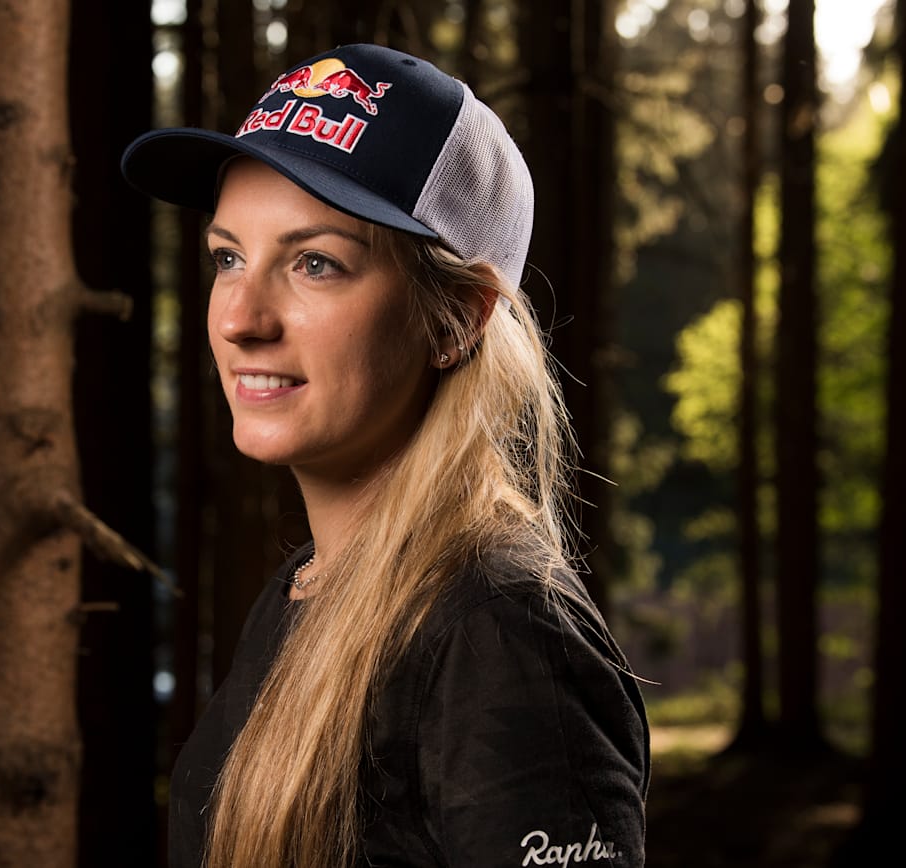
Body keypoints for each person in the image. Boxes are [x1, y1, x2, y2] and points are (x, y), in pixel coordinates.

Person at [121, 43, 650, 868]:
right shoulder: (304, 593)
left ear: (456, 320)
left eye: (315, 263)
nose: (240, 318)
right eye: (229, 256)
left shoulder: (500, 632)